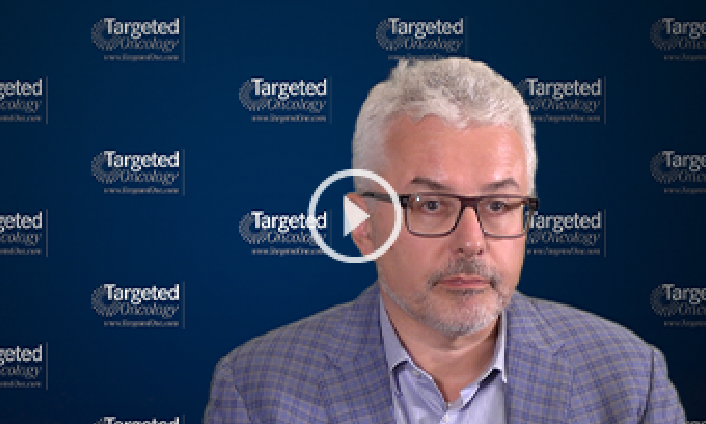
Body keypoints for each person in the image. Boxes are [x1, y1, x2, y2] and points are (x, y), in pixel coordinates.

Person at [204, 58, 685, 424]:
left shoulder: (629, 382)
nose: (471, 241)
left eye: (498, 205)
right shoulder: (256, 392)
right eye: (430, 204)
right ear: (363, 223)